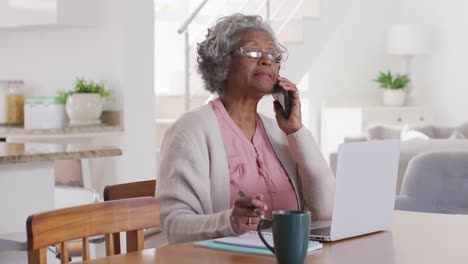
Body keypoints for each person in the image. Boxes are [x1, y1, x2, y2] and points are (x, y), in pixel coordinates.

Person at [156, 13, 335, 245]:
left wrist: (296, 131)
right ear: (222, 62)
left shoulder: (279, 133)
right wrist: (229, 221)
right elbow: (172, 225)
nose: (266, 60)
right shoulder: (190, 131)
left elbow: (327, 210)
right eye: (252, 52)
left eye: (273, 55)